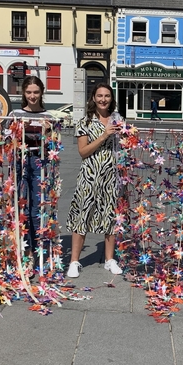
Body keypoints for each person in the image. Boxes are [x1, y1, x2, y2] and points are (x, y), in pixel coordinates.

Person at [66, 83, 123, 278]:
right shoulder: (85, 122)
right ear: (93, 98)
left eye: (107, 96)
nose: (103, 99)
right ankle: (74, 261)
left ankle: (109, 259)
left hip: (111, 175)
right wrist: (104, 135)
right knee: (82, 214)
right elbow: (83, 152)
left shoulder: (117, 120)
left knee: (110, 216)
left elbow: (123, 147)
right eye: (99, 95)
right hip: (90, 174)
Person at [9, 76, 54, 271]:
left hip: (39, 161)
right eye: (29, 92)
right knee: (21, 206)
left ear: (42, 92)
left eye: (36, 92)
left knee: (37, 209)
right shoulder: (15, 113)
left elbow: (54, 146)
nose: (32, 96)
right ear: (24, 93)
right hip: (20, 160)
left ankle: (37, 251)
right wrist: (17, 131)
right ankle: (24, 250)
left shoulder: (48, 116)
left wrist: (49, 134)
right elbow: (6, 140)